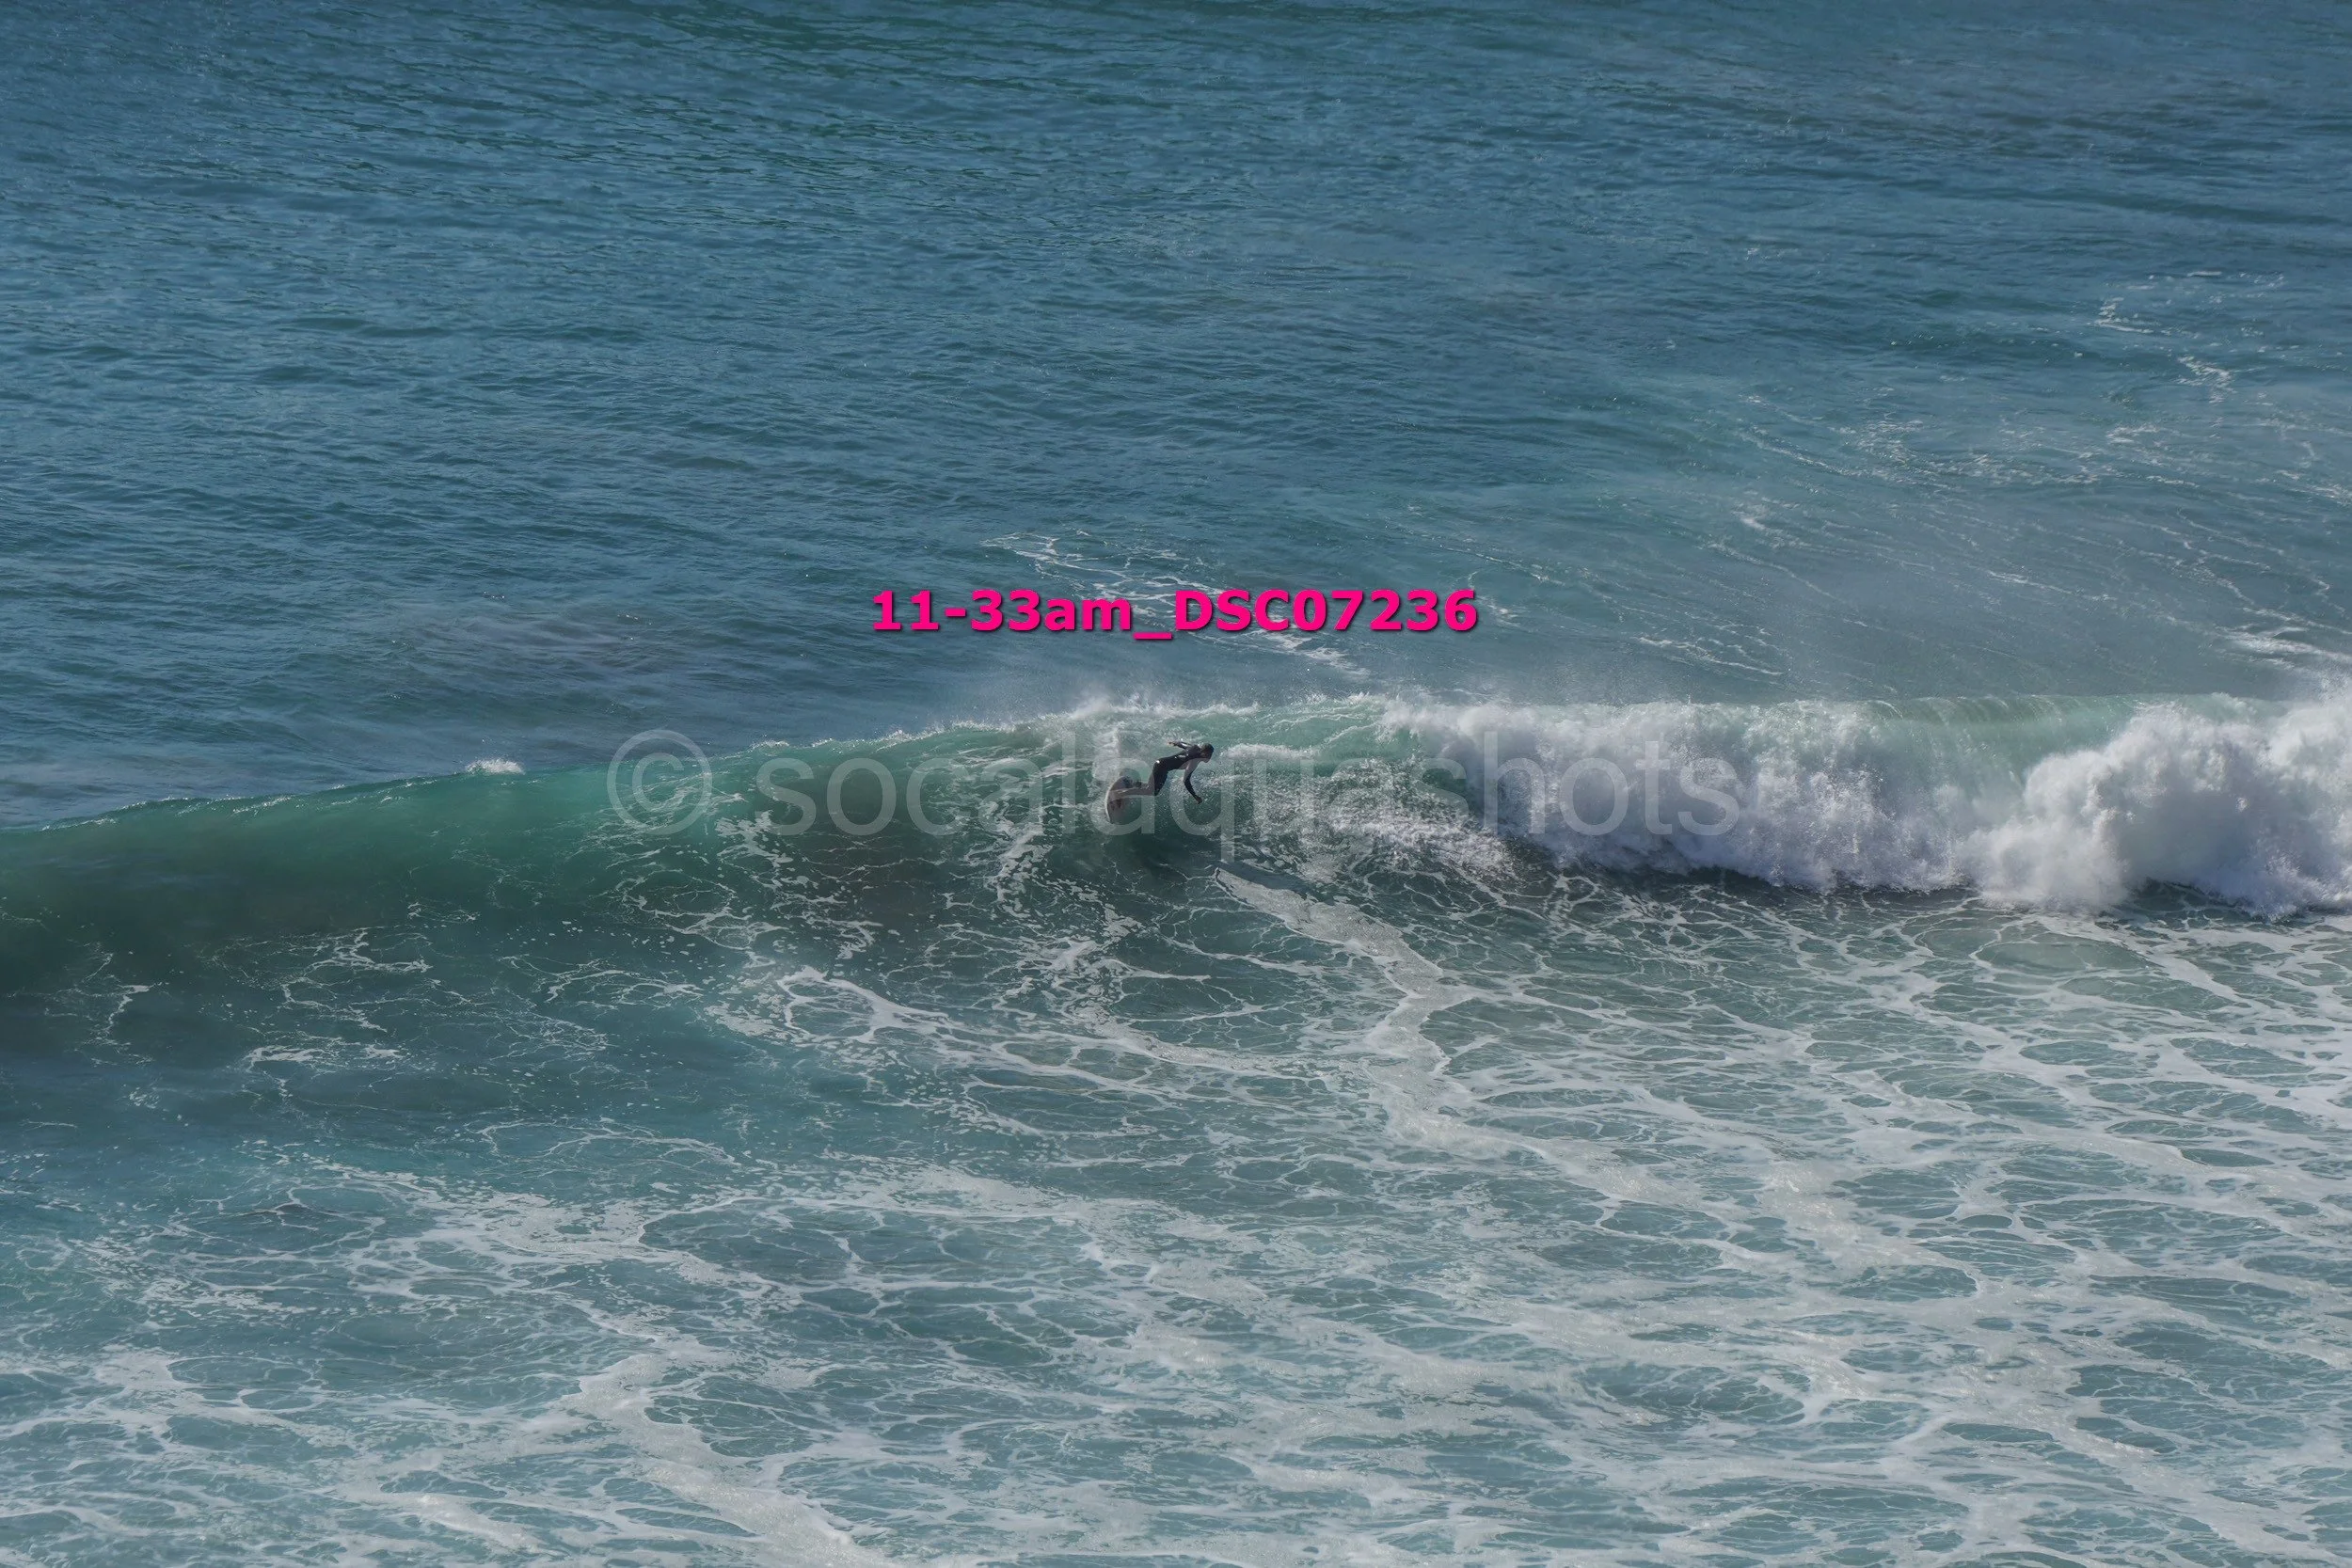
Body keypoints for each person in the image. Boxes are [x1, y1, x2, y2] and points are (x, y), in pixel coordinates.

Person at [1106, 741, 1215, 810]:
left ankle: (1133, 783)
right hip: (1162, 767)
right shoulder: (1194, 762)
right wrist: (1194, 795)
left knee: (1153, 788)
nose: (1209, 758)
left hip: (1162, 765)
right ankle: (1118, 794)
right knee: (1151, 791)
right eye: (1208, 755)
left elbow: (1183, 744)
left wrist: (1175, 743)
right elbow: (1186, 781)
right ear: (1203, 752)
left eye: (1210, 755)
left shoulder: (1195, 747)